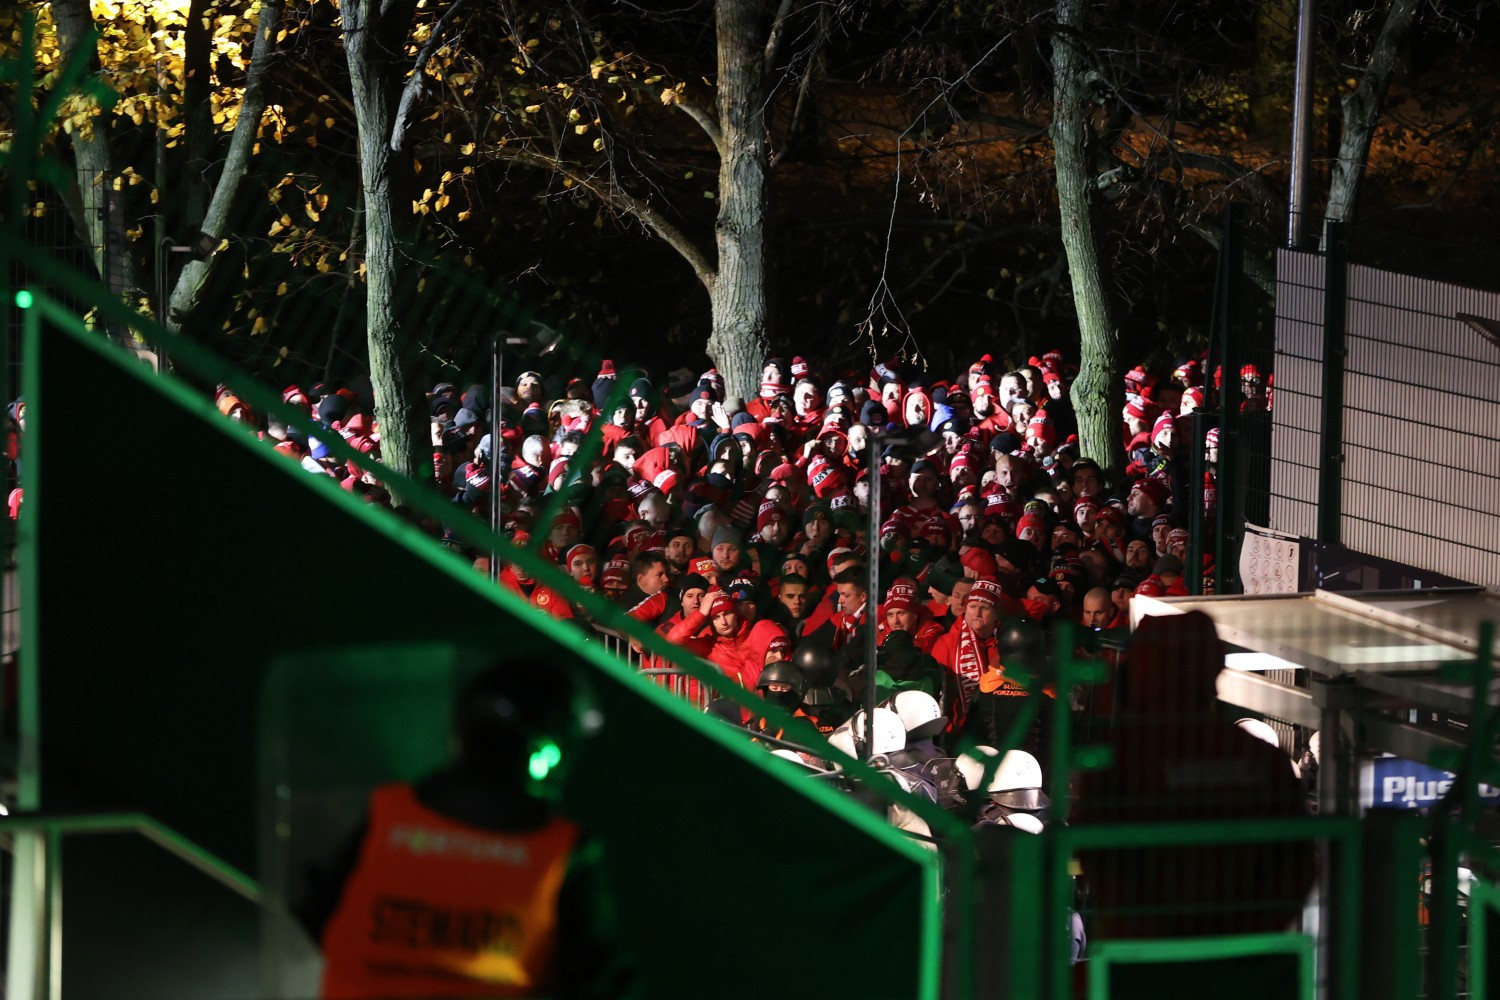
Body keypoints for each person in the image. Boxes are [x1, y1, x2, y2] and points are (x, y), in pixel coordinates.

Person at [305, 658, 631, 999]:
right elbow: (602, 982)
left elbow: (322, 918)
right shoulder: (562, 852)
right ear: (551, 750)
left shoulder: (387, 817)